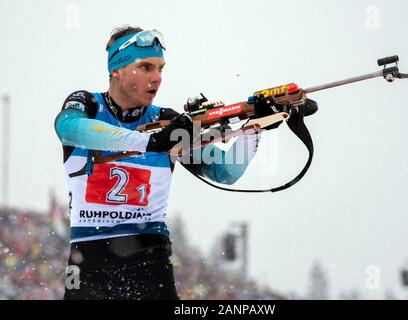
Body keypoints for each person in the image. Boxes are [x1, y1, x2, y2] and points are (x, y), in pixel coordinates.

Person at [54, 26, 268, 300]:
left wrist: (255, 127)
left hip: (149, 258)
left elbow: (226, 171)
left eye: (160, 69)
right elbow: (68, 128)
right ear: (116, 69)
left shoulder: (168, 121)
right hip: (90, 260)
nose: (156, 78)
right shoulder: (88, 105)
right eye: (145, 67)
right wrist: (148, 142)